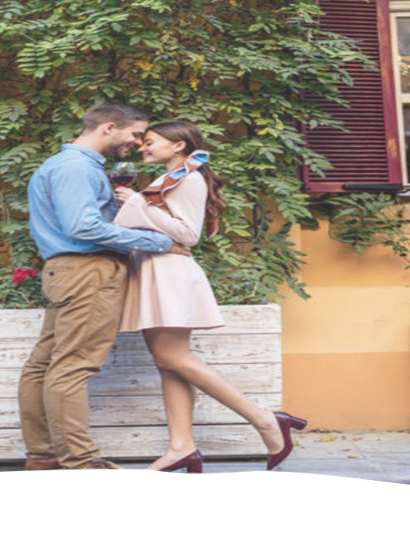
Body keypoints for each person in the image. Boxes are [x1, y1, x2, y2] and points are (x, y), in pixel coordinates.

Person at [113, 120, 307, 472]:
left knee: (175, 359)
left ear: (178, 145)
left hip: (169, 270)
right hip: (155, 269)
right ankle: (181, 447)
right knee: (167, 362)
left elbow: (189, 234)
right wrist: (142, 204)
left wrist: (139, 205)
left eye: (151, 142)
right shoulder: (171, 178)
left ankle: (265, 420)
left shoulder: (189, 179)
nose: (143, 147)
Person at [17, 102, 190, 470]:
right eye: (134, 135)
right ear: (109, 128)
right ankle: (80, 463)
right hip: (88, 271)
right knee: (73, 367)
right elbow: (83, 228)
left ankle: (43, 456)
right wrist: (160, 241)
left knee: (44, 365)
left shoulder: (67, 165)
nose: (138, 143)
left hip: (66, 270)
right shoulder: (77, 168)